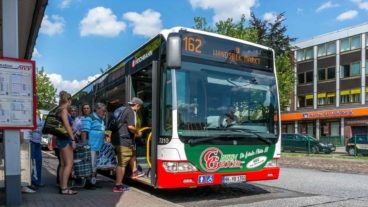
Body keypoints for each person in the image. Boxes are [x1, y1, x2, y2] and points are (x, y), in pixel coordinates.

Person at [112, 97, 144, 193]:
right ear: (137, 105)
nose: (139, 109)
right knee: (122, 164)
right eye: (139, 107)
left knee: (132, 154)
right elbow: (130, 127)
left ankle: (134, 172)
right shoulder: (130, 112)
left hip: (119, 139)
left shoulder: (124, 110)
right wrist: (138, 132)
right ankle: (118, 186)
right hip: (123, 141)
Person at [81, 102, 107, 188]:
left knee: (95, 165)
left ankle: (93, 182)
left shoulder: (101, 119)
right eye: (103, 111)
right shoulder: (90, 118)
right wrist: (85, 145)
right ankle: (88, 183)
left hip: (98, 146)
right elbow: (84, 132)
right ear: (97, 109)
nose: (104, 112)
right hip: (91, 146)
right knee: (91, 165)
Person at [56, 91, 77, 195]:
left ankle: (62, 186)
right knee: (69, 164)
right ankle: (64, 188)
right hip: (66, 140)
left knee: (63, 164)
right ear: (68, 100)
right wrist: (73, 140)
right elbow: (67, 126)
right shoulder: (64, 110)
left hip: (60, 139)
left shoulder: (58, 110)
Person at [30, 111, 45, 189]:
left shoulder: (37, 116)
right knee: (31, 162)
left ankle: (37, 181)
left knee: (38, 161)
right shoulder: (29, 115)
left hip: (38, 142)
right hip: (31, 141)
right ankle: (31, 181)